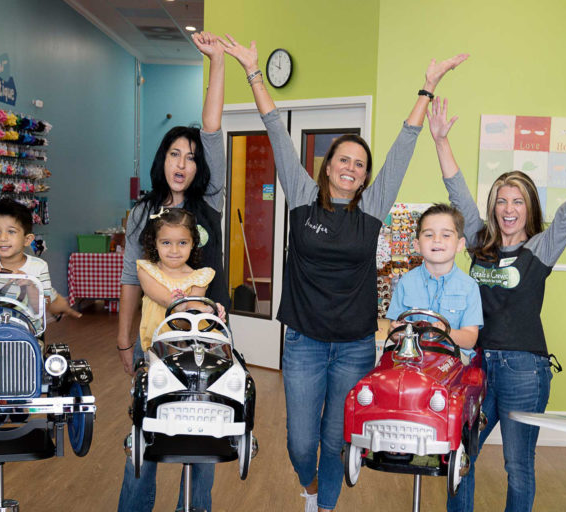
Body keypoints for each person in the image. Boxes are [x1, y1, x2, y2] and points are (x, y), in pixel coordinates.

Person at [221, 32, 467, 512]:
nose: (352, 168)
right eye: (344, 160)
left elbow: (403, 147)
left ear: (365, 175)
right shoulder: (300, 198)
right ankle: (309, 488)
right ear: (327, 165)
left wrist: (427, 87)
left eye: (360, 164)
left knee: (337, 438)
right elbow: (275, 128)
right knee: (299, 443)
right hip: (303, 343)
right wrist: (253, 71)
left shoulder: (372, 209)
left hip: (354, 346)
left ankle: (324, 507)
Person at [430, 97, 566, 511]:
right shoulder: (479, 243)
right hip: (478, 363)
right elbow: (456, 187)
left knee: (517, 465)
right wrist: (440, 140)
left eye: (518, 201)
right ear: (493, 207)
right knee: (460, 452)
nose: (509, 209)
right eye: (502, 201)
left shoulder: (541, 249)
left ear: (529, 209)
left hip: (525, 369)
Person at [116, 31, 228, 512]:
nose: (182, 163)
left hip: (208, 341)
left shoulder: (213, 201)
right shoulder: (141, 214)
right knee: (146, 439)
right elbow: (128, 282)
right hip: (152, 346)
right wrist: (123, 342)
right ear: (161, 160)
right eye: (174, 154)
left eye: (191, 155)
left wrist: (217, 63)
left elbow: (212, 126)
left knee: (202, 439)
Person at [385, 203, 482, 359]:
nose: (437, 240)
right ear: (417, 244)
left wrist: (446, 333)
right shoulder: (406, 283)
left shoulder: (469, 287)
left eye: (446, 235)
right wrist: (396, 332)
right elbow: (394, 333)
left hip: (453, 363)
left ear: (459, 244)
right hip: (413, 360)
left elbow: (470, 339)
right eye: (429, 235)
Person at [0, 197, 82, 322]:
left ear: (27, 240)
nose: (2, 238)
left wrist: (29, 285)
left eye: (11, 232)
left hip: (26, 332)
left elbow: (41, 307)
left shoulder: (39, 267)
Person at [135, 208, 216, 351]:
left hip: (191, 344)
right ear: (155, 243)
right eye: (166, 243)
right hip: (157, 346)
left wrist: (208, 309)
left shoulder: (200, 277)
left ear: (193, 243)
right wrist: (185, 306)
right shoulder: (146, 271)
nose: (174, 250)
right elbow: (167, 299)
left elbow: (189, 316)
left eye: (182, 243)